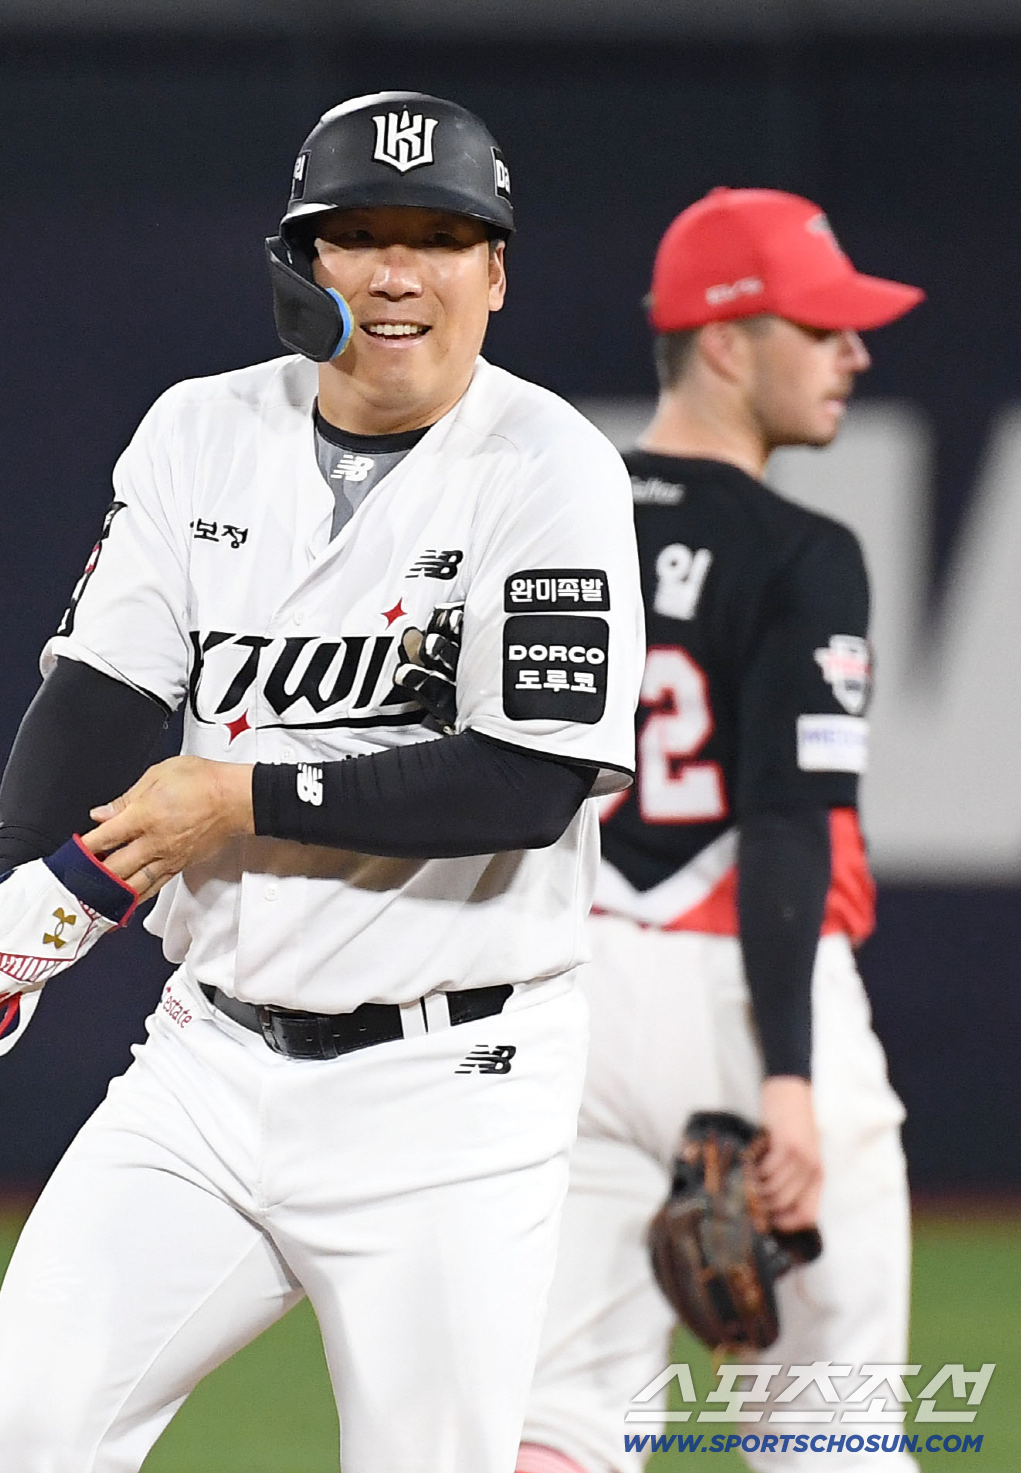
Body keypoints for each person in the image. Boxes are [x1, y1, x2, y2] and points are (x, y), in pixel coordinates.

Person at [0, 91, 645, 1473]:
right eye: (360, 235)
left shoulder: (551, 467)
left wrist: (237, 798)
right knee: (20, 1436)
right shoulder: (201, 429)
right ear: (303, 263)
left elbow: (531, 779)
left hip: (453, 1088)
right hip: (210, 1064)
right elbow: (105, 692)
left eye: (442, 240)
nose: (398, 274)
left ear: (496, 275)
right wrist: (12, 896)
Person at [516, 188, 924, 1473]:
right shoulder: (800, 551)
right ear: (729, 343)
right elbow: (791, 826)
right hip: (745, 991)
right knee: (830, 1433)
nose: (855, 353)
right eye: (824, 326)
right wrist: (785, 1079)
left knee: (556, 1420)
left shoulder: (547, 517)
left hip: (565, 989)